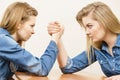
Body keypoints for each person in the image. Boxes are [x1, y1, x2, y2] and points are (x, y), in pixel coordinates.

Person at [47, 1, 120, 80]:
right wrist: (58, 36)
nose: (87, 32)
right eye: (85, 28)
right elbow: (68, 67)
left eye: (90, 26)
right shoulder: (97, 49)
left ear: (105, 22)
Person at [0, 2, 63, 80]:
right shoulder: (4, 41)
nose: (33, 31)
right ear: (18, 24)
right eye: (31, 26)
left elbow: (26, 66)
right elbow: (42, 68)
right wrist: (55, 39)